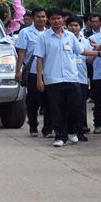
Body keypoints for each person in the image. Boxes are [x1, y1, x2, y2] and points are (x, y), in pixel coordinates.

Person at [33, 9, 83, 147]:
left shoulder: (70, 36)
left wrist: (99, 53)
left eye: (59, 18)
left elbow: (81, 51)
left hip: (72, 77)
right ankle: (60, 136)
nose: (57, 21)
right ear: (49, 20)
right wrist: (39, 79)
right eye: (54, 18)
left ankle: (72, 131)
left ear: (63, 19)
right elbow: (39, 59)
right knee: (56, 109)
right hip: (53, 78)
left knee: (75, 106)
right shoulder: (43, 37)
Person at [14, 7, 53, 137]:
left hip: (49, 73)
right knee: (34, 101)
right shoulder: (25, 33)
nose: (41, 19)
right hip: (32, 72)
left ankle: (47, 129)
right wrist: (18, 70)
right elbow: (21, 53)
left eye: (43, 16)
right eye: (38, 17)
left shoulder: (50, 33)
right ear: (33, 18)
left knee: (49, 102)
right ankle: (33, 125)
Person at [66, 16, 96, 142]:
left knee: (80, 106)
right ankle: (67, 130)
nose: (74, 28)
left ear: (81, 27)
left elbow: (88, 60)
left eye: (76, 25)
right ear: (67, 26)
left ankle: (79, 130)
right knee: (68, 106)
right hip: (67, 78)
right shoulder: (64, 39)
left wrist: (96, 53)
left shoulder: (85, 41)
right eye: (71, 25)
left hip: (82, 77)